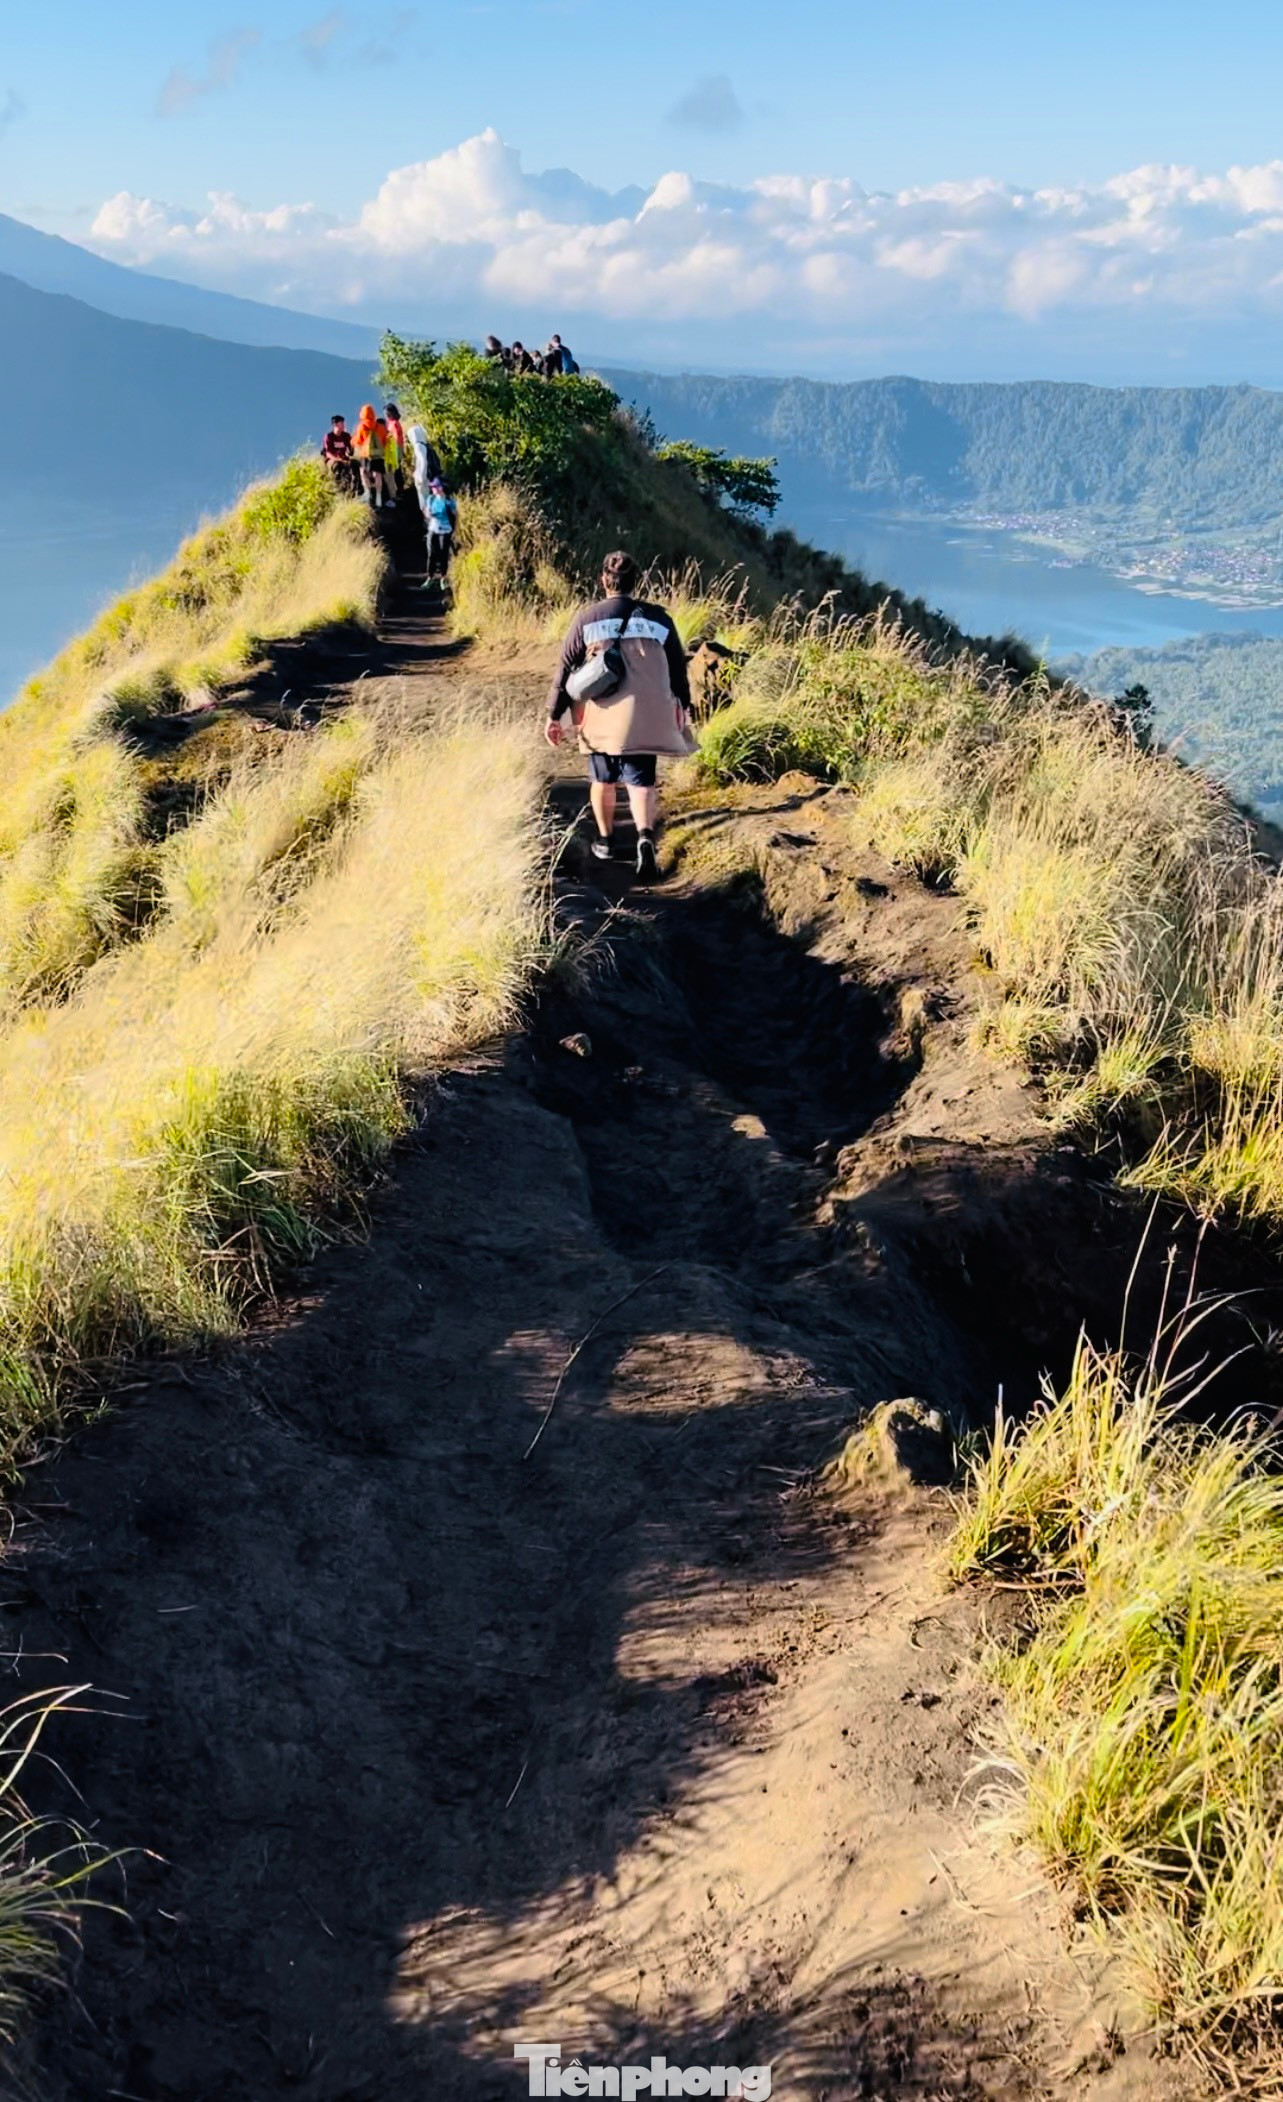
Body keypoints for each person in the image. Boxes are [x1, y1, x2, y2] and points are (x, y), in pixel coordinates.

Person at [545, 550, 693, 881]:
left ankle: (606, 841)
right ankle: (644, 838)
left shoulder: (586, 619)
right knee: (641, 781)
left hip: (601, 711)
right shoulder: (659, 618)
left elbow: (564, 669)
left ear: (603, 580)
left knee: (603, 779)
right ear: (634, 582)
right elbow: (677, 667)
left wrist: (554, 716)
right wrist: (683, 703)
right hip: (645, 712)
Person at [353, 403, 391, 510]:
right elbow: (385, 440)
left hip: (366, 455)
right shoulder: (379, 426)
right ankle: (379, 499)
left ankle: (368, 493)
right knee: (377, 475)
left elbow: (358, 441)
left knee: (363, 472)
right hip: (379, 455)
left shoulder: (362, 426)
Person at [424, 479, 458, 585]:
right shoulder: (431, 499)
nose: (432, 489)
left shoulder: (449, 501)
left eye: (434, 487)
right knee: (431, 554)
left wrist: (455, 529)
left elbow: (455, 515)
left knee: (443, 553)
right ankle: (430, 577)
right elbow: (426, 512)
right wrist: (429, 514)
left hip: (445, 529)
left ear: (440, 488)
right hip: (433, 529)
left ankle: (443, 577)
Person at [321, 414, 358, 495]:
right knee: (338, 465)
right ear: (336, 424)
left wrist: (352, 444)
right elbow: (328, 453)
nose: (344, 425)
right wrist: (338, 459)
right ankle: (339, 489)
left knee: (355, 463)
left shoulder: (346, 436)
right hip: (332, 460)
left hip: (344, 459)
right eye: (342, 423)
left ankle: (355, 488)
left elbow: (350, 452)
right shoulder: (329, 436)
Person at [383, 402, 408, 500]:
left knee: (395, 472)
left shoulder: (393, 424)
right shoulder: (395, 423)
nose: (385, 415)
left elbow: (397, 438)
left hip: (395, 450)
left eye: (386, 413)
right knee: (397, 471)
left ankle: (398, 492)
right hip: (397, 449)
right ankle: (400, 491)